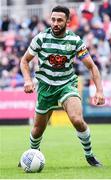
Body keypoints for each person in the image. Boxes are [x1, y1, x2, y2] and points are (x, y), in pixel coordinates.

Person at [19, 6, 105, 167]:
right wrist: (27, 80)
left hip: (67, 84)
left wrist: (99, 91)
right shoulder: (41, 38)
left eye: (59, 20)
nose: (55, 23)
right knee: (37, 129)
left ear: (67, 21)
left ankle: (90, 156)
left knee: (77, 120)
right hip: (45, 87)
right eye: (53, 19)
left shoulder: (75, 41)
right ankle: (31, 155)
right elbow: (24, 61)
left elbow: (92, 67)